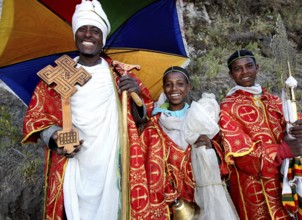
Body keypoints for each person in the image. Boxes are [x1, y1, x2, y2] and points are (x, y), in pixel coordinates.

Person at [22, 1, 153, 219]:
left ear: (102, 37)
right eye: (82, 29)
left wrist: (135, 96)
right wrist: (56, 137)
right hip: (72, 163)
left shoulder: (121, 74)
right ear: (75, 34)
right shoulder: (57, 74)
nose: (88, 35)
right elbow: (37, 119)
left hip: (112, 162)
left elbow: (143, 119)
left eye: (95, 30)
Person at [219, 49, 302, 219]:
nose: (245, 72)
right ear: (230, 75)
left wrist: (301, 132)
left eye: (249, 66)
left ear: (257, 67)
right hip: (256, 186)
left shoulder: (275, 100)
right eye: (238, 69)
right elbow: (240, 156)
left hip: (290, 177)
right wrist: (282, 150)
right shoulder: (227, 108)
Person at [139, 66, 237, 219]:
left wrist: (212, 147)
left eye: (180, 83)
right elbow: (147, 163)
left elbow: (224, 162)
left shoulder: (200, 119)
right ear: (163, 89)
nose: (174, 88)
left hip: (201, 196)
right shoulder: (154, 124)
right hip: (168, 199)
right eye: (169, 84)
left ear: (188, 87)